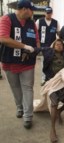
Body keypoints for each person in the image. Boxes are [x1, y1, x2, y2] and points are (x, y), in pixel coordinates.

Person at [0, 0, 40, 129]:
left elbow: (37, 39)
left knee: (27, 88)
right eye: (31, 10)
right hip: (9, 61)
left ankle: (28, 116)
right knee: (15, 87)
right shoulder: (7, 19)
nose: (32, 12)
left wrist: (36, 50)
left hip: (27, 62)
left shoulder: (32, 23)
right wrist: (25, 46)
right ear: (24, 9)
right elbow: (3, 38)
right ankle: (20, 107)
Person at [41, 39, 64, 143]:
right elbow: (38, 49)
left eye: (61, 44)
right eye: (57, 44)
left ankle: (59, 112)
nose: (59, 46)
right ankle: (52, 129)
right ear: (53, 46)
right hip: (52, 83)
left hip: (62, 84)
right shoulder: (49, 54)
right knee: (54, 103)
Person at [35, 6, 60, 86]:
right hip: (43, 46)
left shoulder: (56, 22)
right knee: (44, 62)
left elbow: (59, 34)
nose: (48, 14)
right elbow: (35, 33)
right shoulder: (39, 21)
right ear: (44, 13)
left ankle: (51, 78)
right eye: (47, 13)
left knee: (52, 62)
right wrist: (38, 45)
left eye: (50, 13)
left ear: (52, 13)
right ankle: (43, 79)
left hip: (52, 46)